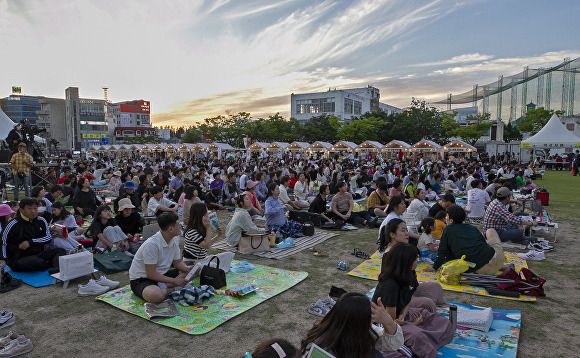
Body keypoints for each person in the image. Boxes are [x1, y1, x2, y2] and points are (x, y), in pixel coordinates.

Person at [371, 242, 454, 358]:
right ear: (405, 262)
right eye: (415, 258)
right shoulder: (389, 285)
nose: (418, 260)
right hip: (386, 323)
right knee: (417, 335)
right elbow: (391, 321)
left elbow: (407, 299)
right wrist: (413, 324)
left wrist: (405, 316)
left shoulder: (410, 274)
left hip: (401, 317)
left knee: (441, 321)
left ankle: (420, 339)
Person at [301, 292, 403, 358]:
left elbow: (393, 344)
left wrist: (388, 321)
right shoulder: (323, 345)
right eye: (369, 317)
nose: (372, 321)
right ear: (358, 324)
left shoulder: (364, 332)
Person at [129, 212, 194, 303]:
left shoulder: (174, 238)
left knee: (192, 270)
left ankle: (165, 286)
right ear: (170, 229)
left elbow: (177, 262)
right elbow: (151, 274)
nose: (180, 227)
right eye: (178, 225)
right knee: (156, 296)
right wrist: (175, 281)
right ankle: (168, 289)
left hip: (162, 275)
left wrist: (187, 269)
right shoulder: (152, 244)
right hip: (142, 279)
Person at [425, 205, 505, 275]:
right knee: (490, 231)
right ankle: (501, 266)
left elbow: (442, 251)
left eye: (447, 216)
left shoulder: (448, 229)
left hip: (480, 270)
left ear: (451, 220)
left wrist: (435, 267)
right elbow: (483, 243)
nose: (445, 218)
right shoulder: (472, 228)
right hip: (497, 259)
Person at [1, 198, 66, 273]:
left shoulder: (41, 220)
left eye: (35, 209)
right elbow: (3, 242)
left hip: (38, 253)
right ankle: (51, 263)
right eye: (29, 209)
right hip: (19, 256)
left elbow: (48, 237)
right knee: (36, 262)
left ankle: (56, 267)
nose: (33, 211)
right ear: (21, 210)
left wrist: (30, 242)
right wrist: (3, 259)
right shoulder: (13, 224)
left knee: (61, 250)